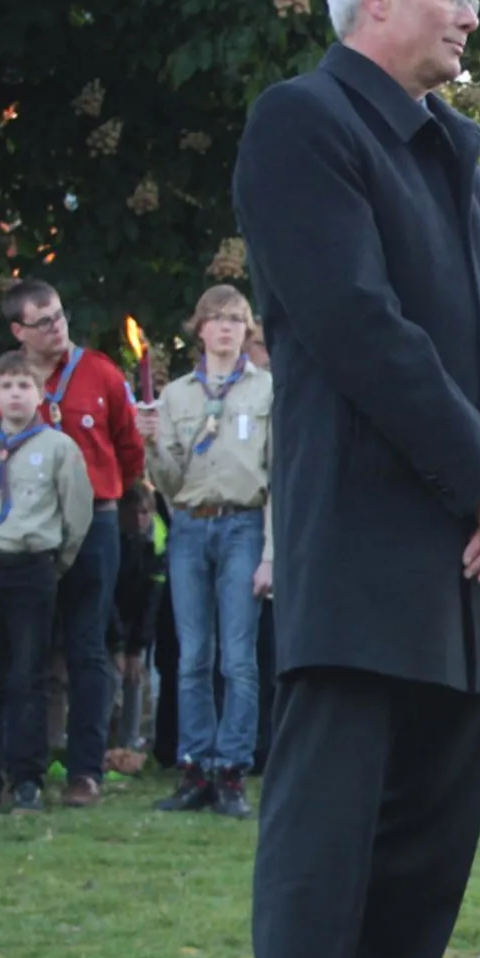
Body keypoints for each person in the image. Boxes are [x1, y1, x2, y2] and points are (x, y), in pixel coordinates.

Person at [233, 0, 480, 958]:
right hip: (365, 536)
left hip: (468, 543)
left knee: (432, 821)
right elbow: (358, 327)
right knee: (331, 822)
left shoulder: (452, 153)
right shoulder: (301, 124)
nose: (469, 12)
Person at [0, 279, 143, 809]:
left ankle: (85, 770)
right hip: (24, 533)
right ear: (19, 330)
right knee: (25, 650)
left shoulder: (100, 373)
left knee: (87, 645)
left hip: (93, 521)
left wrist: (106, 492)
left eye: (60, 315)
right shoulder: (0, 384)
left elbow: (128, 448)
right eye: (43, 321)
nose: (58, 327)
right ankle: (19, 766)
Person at [143, 285, 276, 819]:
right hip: (189, 526)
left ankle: (232, 769)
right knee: (192, 655)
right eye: (216, 320)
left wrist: (272, 553)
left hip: (243, 523)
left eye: (236, 320)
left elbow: (279, 477)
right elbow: (171, 482)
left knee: (238, 658)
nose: (225, 329)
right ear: (199, 329)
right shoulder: (177, 396)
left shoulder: (268, 391)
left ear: (248, 331)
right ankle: (194, 764)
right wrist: (151, 442)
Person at [0, 353, 96, 814]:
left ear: (40, 395)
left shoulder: (58, 448)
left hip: (32, 567)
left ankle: (27, 776)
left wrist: (55, 562)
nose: (16, 394)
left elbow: (76, 513)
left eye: (24, 386)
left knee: (28, 675)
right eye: (7, 387)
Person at [108, 490, 166, 758]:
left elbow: (151, 601)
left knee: (136, 674)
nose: (139, 519)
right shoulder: (112, 542)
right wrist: (118, 645)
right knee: (109, 676)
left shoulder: (157, 542)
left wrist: (135, 648)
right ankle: (101, 741)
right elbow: (106, 598)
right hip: (110, 617)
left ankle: (129, 742)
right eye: (132, 513)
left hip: (137, 615)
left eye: (144, 513)